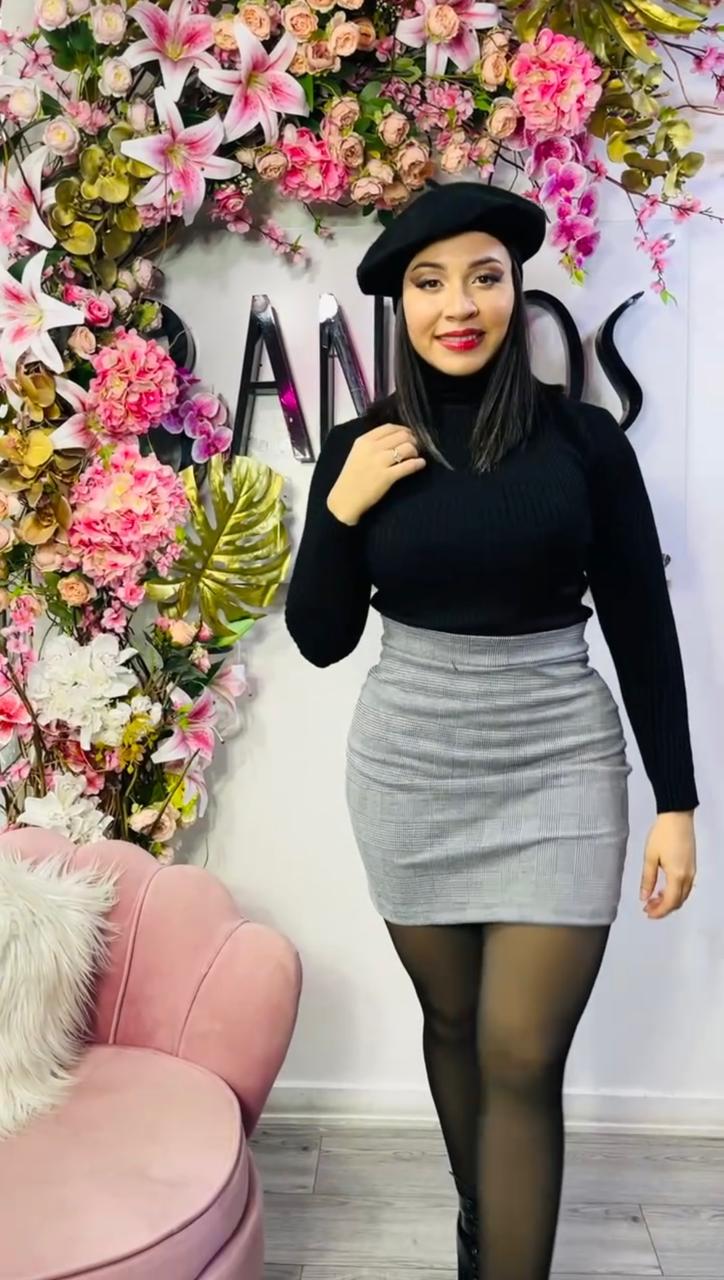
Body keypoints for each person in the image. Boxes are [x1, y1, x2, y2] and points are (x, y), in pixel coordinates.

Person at [284, 182, 698, 1280]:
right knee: (457, 1024)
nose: (458, 304)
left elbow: (640, 619)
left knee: (521, 1054)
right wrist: (340, 509)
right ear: (400, 304)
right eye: (430, 283)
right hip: (412, 768)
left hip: (559, 760)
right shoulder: (362, 446)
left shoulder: (582, 441)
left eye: (484, 277)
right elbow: (321, 638)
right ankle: (484, 1224)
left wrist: (677, 800)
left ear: (517, 289)